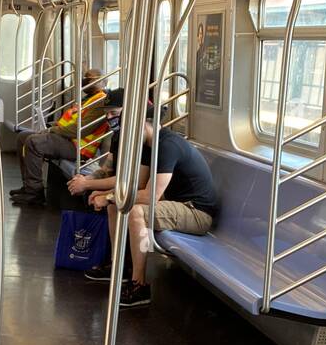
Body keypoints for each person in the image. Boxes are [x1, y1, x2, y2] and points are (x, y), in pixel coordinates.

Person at [67, 89, 218, 307]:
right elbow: (138, 184)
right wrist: (108, 197)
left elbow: (149, 196)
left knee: (136, 211)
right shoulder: (149, 145)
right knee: (116, 206)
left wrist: (109, 197)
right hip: (175, 204)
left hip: (196, 212)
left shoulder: (167, 145)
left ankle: (139, 285)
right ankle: (119, 265)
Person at [10, 69, 109, 206]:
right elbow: (69, 121)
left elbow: (79, 129)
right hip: (66, 139)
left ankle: (34, 193)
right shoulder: (87, 99)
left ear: (102, 82)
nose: (85, 80)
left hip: (78, 146)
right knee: (23, 137)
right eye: (85, 77)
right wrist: (51, 128)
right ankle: (28, 186)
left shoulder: (100, 101)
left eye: (90, 79)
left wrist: (51, 130)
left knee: (34, 142)